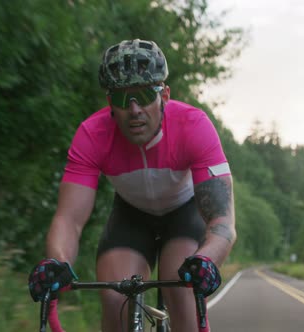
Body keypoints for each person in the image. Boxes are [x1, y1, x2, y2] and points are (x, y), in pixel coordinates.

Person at [28, 39, 236, 332]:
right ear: (110, 103)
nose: (135, 109)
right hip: (132, 214)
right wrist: (56, 263)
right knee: (115, 298)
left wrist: (207, 260)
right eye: (123, 99)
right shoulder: (92, 135)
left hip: (183, 212)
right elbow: (69, 219)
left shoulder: (193, 126)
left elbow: (222, 221)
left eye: (143, 95)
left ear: (163, 94)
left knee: (182, 290)